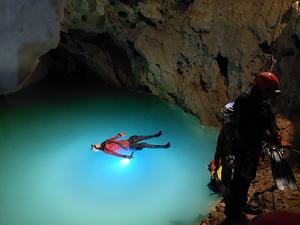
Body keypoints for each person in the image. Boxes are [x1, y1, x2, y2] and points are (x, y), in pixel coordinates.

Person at [215, 72, 284, 224]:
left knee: (247, 179)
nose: (272, 96)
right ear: (264, 90)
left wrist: (275, 131)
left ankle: (241, 206)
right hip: (242, 149)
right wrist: (271, 139)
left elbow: (269, 118)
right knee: (240, 180)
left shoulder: (261, 103)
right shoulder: (245, 102)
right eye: (271, 92)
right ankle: (233, 214)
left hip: (251, 149)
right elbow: (251, 131)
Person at [91, 131, 170, 158]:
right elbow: (115, 154)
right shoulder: (106, 150)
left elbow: (113, 138)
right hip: (128, 147)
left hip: (128, 141)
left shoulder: (105, 141)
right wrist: (126, 156)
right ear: (97, 149)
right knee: (145, 144)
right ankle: (164, 146)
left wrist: (120, 135)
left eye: (94, 144)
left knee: (141, 137)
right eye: (95, 146)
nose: (95, 144)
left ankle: (156, 135)